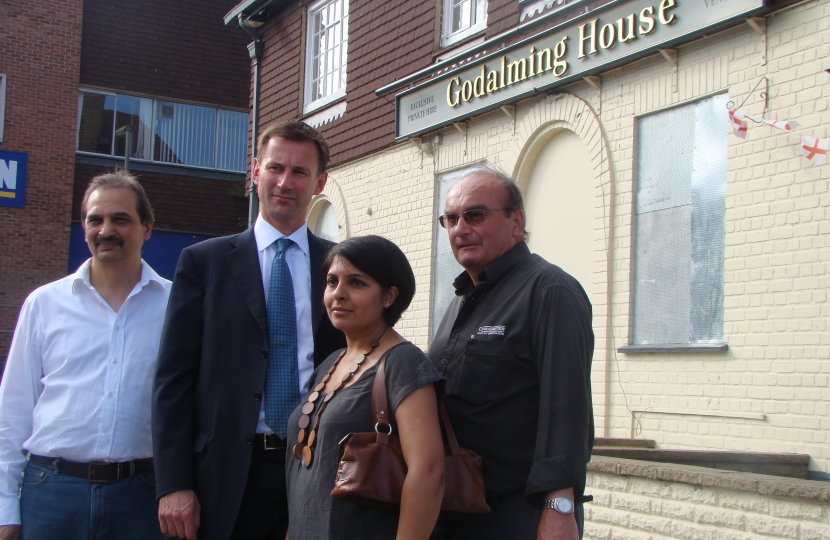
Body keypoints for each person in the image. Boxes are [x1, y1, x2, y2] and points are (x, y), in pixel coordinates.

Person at [152, 121, 346, 540]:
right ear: (256, 171)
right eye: (276, 168)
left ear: (320, 182)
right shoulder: (203, 264)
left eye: (300, 172)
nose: (285, 182)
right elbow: (173, 379)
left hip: (315, 468)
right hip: (223, 477)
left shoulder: (340, 267)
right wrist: (173, 483)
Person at [0, 171, 170, 540]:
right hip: (51, 494)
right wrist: (4, 508)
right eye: (96, 219)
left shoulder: (177, 306)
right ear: (85, 227)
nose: (106, 230)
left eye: (120, 219)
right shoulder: (44, 304)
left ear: (147, 228)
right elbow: (12, 412)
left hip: (142, 498)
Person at [428, 167, 594, 540]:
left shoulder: (551, 291)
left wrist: (560, 508)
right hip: (457, 510)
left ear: (516, 222)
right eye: (451, 219)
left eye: (475, 215)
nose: (459, 229)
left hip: (519, 515)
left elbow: (566, 409)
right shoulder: (462, 299)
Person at [285, 235, 445, 540]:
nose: (338, 294)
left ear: (389, 296)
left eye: (356, 283)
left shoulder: (403, 363)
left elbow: (429, 473)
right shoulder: (330, 363)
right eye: (332, 281)